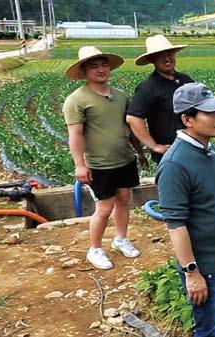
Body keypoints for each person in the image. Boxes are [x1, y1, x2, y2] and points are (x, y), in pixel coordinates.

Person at [156, 82, 215, 337]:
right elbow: (176, 225)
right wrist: (192, 273)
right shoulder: (175, 164)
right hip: (206, 267)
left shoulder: (211, 152)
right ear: (187, 119)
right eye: (209, 112)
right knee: (209, 329)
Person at [63, 46, 148, 270]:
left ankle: (120, 239)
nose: (101, 70)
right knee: (104, 207)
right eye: (94, 66)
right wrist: (80, 165)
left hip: (124, 159)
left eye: (104, 64)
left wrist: (139, 153)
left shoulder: (120, 96)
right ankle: (95, 249)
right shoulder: (77, 100)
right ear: (84, 71)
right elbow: (75, 134)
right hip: (99, 163)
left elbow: (129, 128)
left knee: (123, 201)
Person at [126, 34, 194, 164]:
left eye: (170, 53)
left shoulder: (186, 80)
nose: (167, 58)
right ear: (152, 60)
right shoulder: (148, 87)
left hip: (192, 147)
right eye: (161, 55)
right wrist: (154, 146)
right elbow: (133, 118)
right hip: (170, 153)